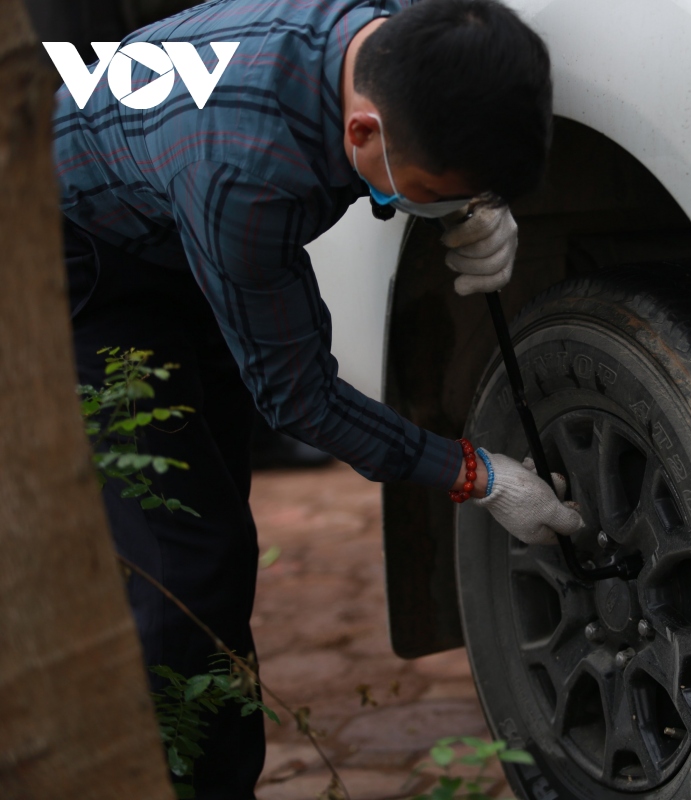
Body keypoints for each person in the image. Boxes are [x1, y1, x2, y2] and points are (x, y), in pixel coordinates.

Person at [54, 0, 585, 796]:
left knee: (217, 518)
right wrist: (478, 475)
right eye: (433, 188)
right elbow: (298, 399)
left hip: (166, 197)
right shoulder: (248, 177)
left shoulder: (404, 33)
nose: (435, 203)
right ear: (362, 135)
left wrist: (477, 199)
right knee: (184, 561)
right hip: (86, 257)